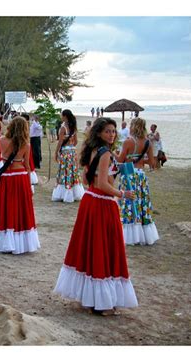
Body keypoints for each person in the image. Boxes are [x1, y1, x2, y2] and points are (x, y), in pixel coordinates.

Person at [53, 117, 138, 315]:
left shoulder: (91, 151)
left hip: (90, 200)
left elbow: (86, 179)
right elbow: (102, 185)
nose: (112, 134)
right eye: (108, 131)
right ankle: (102, 304)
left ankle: (90, 298)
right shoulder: (106, 153)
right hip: (102, 203)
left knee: (89, 247)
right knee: (104, 248)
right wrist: (123, 194)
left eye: (113, 131)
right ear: (99, 133)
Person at [0, 116, 40, 254]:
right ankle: (19, 240)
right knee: (20, 209)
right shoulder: (26, 145)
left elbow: (3, 158)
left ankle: (5, 239)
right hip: (20, 177)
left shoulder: (2, 140)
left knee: (5, 207)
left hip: (6, 177)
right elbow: (27, 166)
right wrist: (29, 185)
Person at [116, 117, 159, 246]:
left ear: (133, 126)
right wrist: (140, 160)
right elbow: (152, 163)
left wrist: (113, 153)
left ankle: (130, 234)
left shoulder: (129, 142)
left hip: (129, 175)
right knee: (141, 203)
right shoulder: (148, 143)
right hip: (141, 176)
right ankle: (143, 233)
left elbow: (120, 159)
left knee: (128, 203)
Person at [52, 109, 85, 203]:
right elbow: (76, 141)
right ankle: (74, 192)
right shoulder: (73, 127)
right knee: (73, 172)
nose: (60, 117)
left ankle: (64, 193)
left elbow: (60, 142)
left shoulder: (63, 128)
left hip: (65, 152)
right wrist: (71, 147)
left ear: (65, 116)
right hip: (72, 152)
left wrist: (56, 152)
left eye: (62, 115)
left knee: (64, 171)